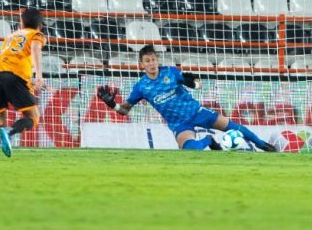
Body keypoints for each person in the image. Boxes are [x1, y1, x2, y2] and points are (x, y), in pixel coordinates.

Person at [97, 45, 276, 152]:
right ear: (141, 64)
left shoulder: (171, 73)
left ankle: (262, 144)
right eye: (147, 61)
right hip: (179, 124)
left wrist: (193, 82)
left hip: (197, 112)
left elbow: (198, 85)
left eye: (153, 60)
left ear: (157, 60)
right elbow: (125, 110)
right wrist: (112, 104)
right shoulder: (141, 87)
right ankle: (209, 141)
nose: (151, 64)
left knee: (232, 125)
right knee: (190, 150)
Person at [0, 9, 45, 163]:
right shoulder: (36, 35)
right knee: (33, 117)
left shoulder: (10, 36)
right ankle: (8, 132)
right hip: (14, 75)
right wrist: (39, 75)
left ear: (21, 23)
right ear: (40, 26)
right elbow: (35, 48)